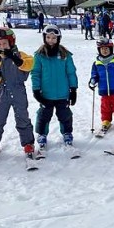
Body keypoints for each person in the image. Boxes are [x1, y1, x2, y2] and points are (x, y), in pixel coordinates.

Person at [0, 27, 36, 160]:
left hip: (18, 91)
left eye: (4, 43)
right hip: (3, 92)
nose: (2, 46)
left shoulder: (21, 55)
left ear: (11, 42)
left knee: (22, 117)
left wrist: (16, 59)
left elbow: (30, 64)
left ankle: (28, 143)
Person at [31, 24, 78, 154]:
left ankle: (67, 133)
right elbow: (35, 73)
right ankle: (42, 134)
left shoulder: (65, 55)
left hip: (63, 94)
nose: (51, 40)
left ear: (58, 39)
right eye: (48, 37)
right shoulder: (39, 55)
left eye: (54, 38)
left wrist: (73, 89)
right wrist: (36, 90)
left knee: (65, 116)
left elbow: (71, 72)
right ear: (44, 38)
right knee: (43, 116)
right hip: (46, 94)